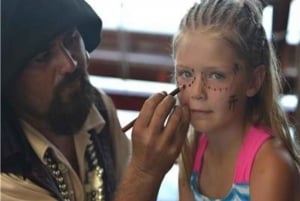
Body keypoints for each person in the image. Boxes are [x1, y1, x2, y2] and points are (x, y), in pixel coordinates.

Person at [1, 0, 190, 200]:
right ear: (9, 79)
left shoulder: (96, 106)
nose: (70, 63)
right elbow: (136, 179)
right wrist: (145, 172)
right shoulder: (5, 179)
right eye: (43, 56)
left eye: (71, 40)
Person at [172, 0, 300, 200]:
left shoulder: (270, 165)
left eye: (216, 75)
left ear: (254, 81)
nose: (197, 92)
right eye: (186, 73)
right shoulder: (192, 151)